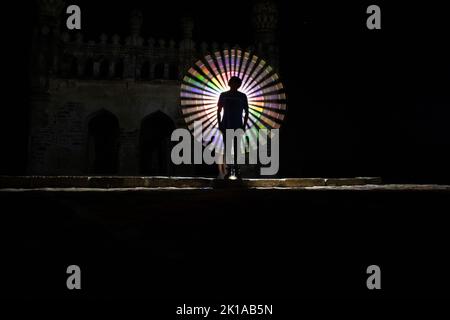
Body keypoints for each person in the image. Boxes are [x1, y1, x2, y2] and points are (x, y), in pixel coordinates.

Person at [217, 76, 249, 179]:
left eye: (234, 82)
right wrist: (220, 124)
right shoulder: (239, 96)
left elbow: (219, 111)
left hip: (232, 124)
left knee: (234, 148)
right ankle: (231, 170)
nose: (232, 84)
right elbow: (218, 111)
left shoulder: (228, 95)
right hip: (229, 124)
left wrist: (243, 126)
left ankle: (234, 170)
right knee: (229, 148)